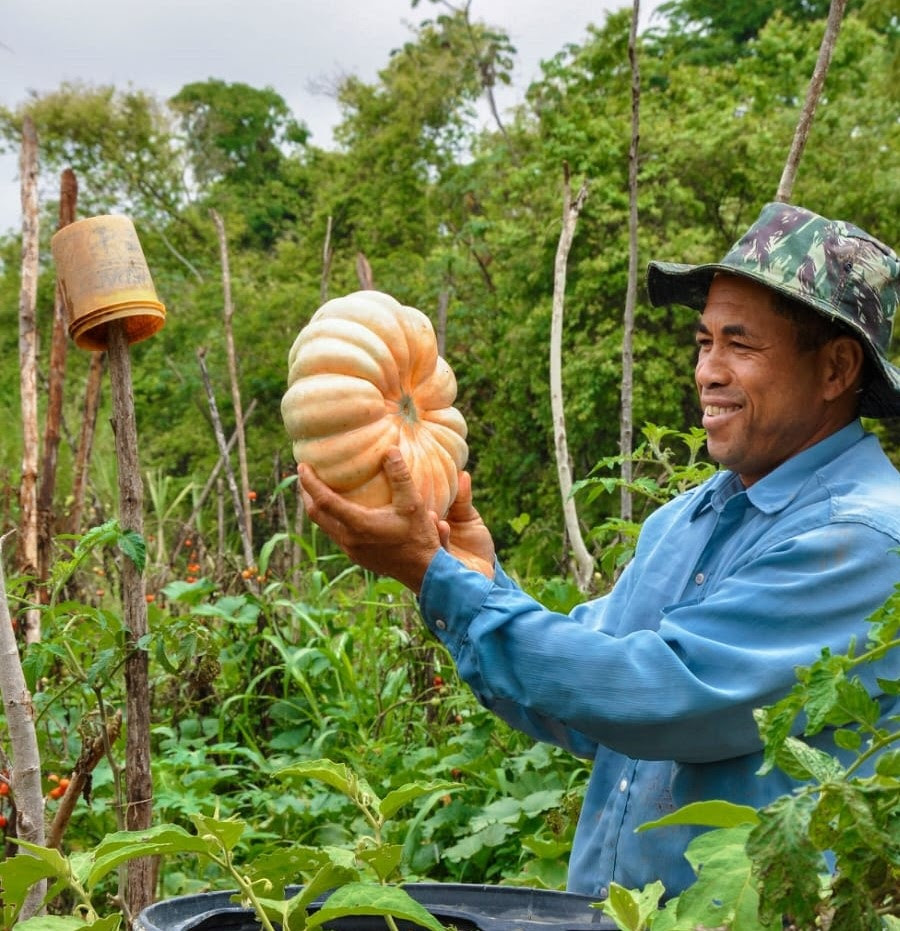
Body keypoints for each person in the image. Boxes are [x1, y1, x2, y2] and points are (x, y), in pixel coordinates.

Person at [298, 202, 900, 899]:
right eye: (704, 341)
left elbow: (658, 695)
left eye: (741, 346)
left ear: (835, 369)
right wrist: (472, 574)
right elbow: (587, 696)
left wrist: (440, 582)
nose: (707, 371)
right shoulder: (685, 520)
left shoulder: (862, 539)